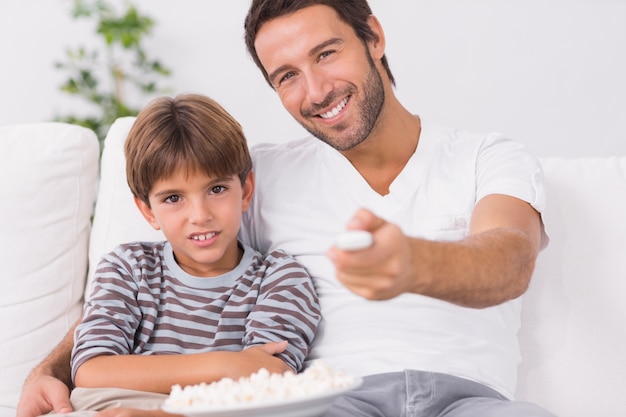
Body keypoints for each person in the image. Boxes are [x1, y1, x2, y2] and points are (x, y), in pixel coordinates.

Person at [18, 1, 557, 416]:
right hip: (332, 402)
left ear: (373, 36)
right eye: (287, 75)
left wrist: (414, 264)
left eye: (326, 54)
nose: (316, 90)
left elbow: (509, 259)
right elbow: (169, 261)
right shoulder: (259, 178)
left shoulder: (487, 156)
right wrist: (52, 369)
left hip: (473, 401)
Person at [42, 93, 321, 416]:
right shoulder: (128, 268)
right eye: (174, 198)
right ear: (147, 212)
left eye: (216, 189)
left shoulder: (280, 278)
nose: (200, 215)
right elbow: (91, 371)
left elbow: (270, 381)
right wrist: (226, 363)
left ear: (245, 191)